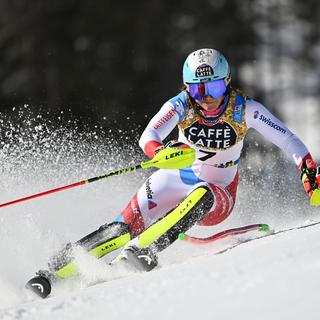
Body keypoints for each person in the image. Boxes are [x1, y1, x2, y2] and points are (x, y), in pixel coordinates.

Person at [38, 48, 320, 281]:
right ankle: (53, 272)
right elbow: (148, 136)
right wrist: (160, 150)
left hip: (218, 191)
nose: (208, 98)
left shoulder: (245, 108)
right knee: (120, 228)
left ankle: (146, 248)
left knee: (203, 193)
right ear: (187, 88)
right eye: (199, 90)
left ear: (228, 82)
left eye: (214, 87)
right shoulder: (181, 104)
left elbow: (288, 140)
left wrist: (307, 168)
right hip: (173, 179)